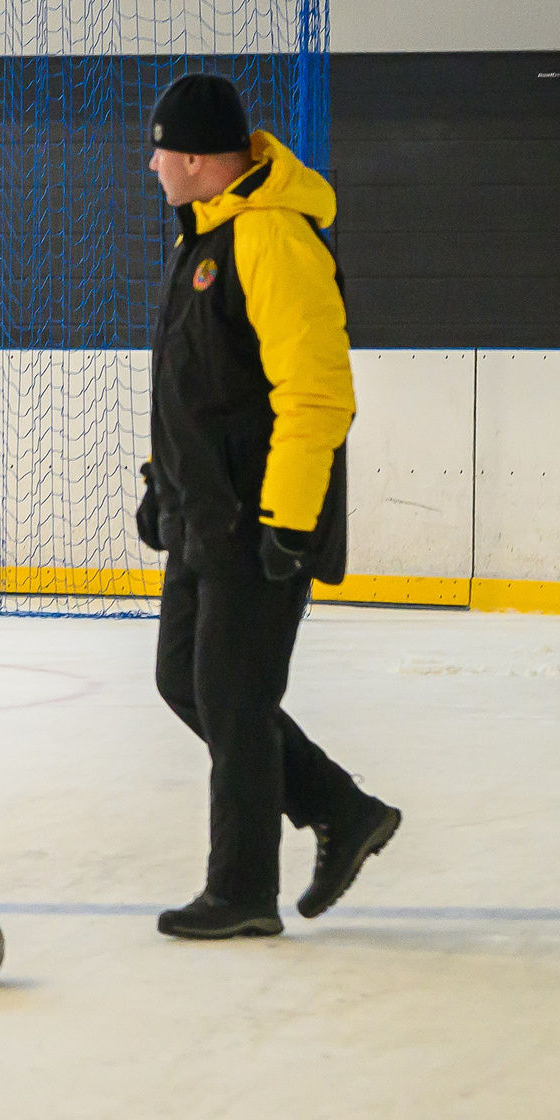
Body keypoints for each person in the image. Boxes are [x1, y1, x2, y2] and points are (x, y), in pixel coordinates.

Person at [134, 74, 399, 940]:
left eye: (164, 150)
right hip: (204, 516)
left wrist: (289, 518)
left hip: (259, 518)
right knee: (188, 681)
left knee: (234, 700)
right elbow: (198, 387)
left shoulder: (274, 239)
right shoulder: (205, 239)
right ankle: (339, 806)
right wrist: (159, 482)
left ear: (202, 160)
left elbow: (315, 390)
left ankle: (243, 890)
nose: (153, 164)